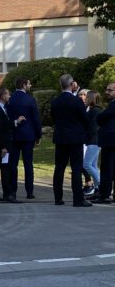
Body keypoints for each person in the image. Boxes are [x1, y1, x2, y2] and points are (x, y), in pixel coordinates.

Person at [50, 74, 91, 207]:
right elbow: (85, 119)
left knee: (59, 168)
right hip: (75, 138)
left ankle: (58, 198)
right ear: (71, 84)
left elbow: (54, 119)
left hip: (61, 138)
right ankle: (78, 199)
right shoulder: (76, 101)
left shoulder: (55, 101)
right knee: (76, 168)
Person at [7, 77, 41, 200]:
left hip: (14, 135)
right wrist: (38, 135)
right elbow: (36, 119)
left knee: (13, 164)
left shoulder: (10, 99)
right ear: (24, 85)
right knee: (28, 164)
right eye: (29, 83)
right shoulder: (30, 99)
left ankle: (13, 191)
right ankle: (29, 191)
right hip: (28, 135)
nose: (30, 85)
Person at [94, 82, 115, 204]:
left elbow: (102, 117)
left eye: (110, 90)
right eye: (107, 90)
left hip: (110, 141)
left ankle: (104, 195)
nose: (107, 92)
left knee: (107, 168)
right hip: (110, 140)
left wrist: (100, 118)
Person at [83, 91, 102, 198]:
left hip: (93, 140)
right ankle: (98, 189)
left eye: (87, 97)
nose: (85, 99)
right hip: (95, 140)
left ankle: (100, 185)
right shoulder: (95, 110)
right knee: (93, 165)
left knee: (86, 165)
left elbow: (93, 128)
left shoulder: (94, 111)